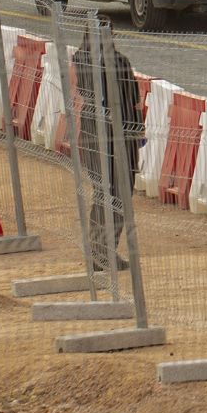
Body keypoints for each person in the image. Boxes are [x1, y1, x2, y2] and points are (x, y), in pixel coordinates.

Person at [72, 26, 143, 272]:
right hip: (119, 137)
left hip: (92, 136)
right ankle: (104, 252)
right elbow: (131, 97)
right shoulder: (118, 63)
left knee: (102, 195)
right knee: (119, 196)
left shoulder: (81, 60)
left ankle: (99, 251)